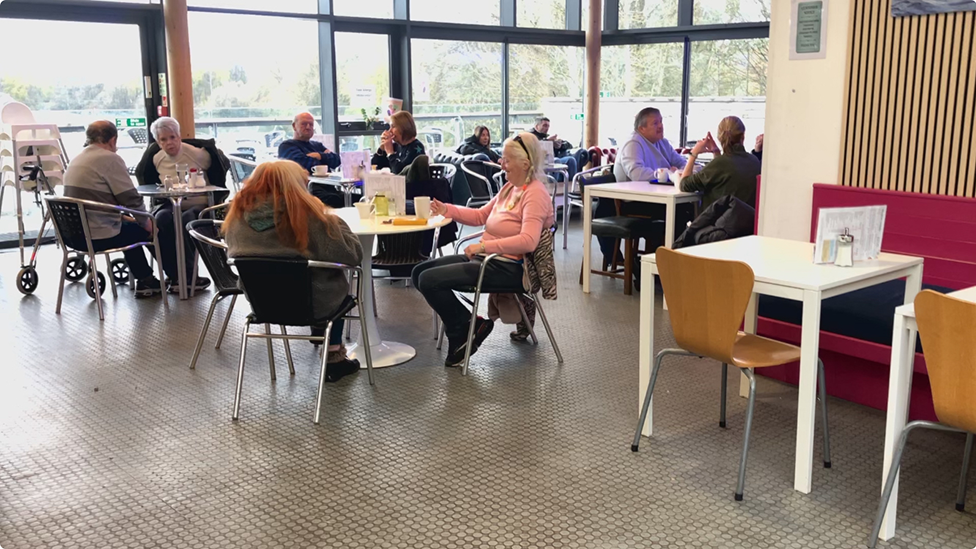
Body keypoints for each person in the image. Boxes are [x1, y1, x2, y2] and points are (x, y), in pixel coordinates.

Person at [412, 132, 555, 367]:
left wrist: (484, 246)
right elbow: (480, 215)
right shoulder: (510, 188)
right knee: (419, 273)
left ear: (525, 163)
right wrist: (446, 209)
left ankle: (463, 329)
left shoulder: (535, 194)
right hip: (489, 259)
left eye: (507, 159)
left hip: (510, 268)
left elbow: (528, 241)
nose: (501, 162)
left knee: (428, 279)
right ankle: (468, 324)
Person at [223, 160, 363, 381]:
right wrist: (333, 220)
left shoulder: (236, 219)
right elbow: (352, 255)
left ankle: (320, 334)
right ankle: (334, 357)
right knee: (331, 277)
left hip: (263, 303)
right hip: (313, 303)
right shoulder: (309, 218)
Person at [62, 121, 163, 297]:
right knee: (149, 229)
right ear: (113, 140)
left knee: (131, 227)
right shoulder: (109, 158)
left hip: (72, 237)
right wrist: (148, 224)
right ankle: (169, 278)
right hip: (98, 236)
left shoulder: (76, 159)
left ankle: (147, 279)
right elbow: (131, 199)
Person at [146, 117, 212, 293]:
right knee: (158, 221)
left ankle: (190, 277)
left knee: (185, 220)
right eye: (164, 139)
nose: (170, 143)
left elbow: (217, 172)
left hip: (198, 202)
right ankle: (174, 274)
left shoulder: (198, 154)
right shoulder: (157, 158)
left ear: (179, 136)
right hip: (172, 201)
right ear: (157, 142)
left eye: (173, 137)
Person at [678, 116, 761, 211]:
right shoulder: (754, 161)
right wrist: (716, 152)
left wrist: (693, 154)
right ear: (743, 136)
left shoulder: (721, 163)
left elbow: (684, 184)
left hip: (716, 223)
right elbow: (722, 174)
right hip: (744, 223)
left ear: (719, 137)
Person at [279, 112, 343, 208]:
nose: (308, 127)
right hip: (307, 192)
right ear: (294, 126)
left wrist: (319, 156)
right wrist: (325, 159)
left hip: (330, 188)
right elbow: (304, 164)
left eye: (311, 124)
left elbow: (336, 160)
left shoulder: (317, 145)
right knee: (338, 201)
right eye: (304, 124)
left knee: (359, 198)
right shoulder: (287, 146)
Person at [612, 107, 687, 183]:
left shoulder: (663, 142)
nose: (660, 126)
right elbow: (637, 174)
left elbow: (682, 163)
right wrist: (669, 173)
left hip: (658, 191)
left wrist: (682, 171)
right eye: (655, 123)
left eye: (661, 121)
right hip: (632, 193)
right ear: (642, 129)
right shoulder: (633, 144)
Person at [529, 116, 587, 181]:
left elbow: (569, 145)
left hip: (550, 159)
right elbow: (534, 146)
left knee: (571, 160)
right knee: (556, 161)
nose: (547, 128)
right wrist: (547, 141)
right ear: (537, 126)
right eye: (544, 125)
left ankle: (571, 186)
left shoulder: (546, 136)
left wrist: (560, 145)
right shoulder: (530, 136)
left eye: (548, 126)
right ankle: (552, 187)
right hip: (537, 161)